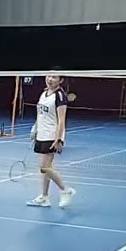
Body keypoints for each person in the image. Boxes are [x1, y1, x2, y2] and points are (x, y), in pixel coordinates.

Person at [28, 73, 76, 208]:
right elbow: (40, 114)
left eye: (54, 77)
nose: (50, 79)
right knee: (45, 169)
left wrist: (59, 139)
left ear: (60, 80)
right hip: (41, 134)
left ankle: (65, 190)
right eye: (48, 76)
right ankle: (44, 197)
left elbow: (61, 120)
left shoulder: (60, 96)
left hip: (52, 135)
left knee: (44, 167)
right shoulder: (44, 93)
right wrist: (34, 129)